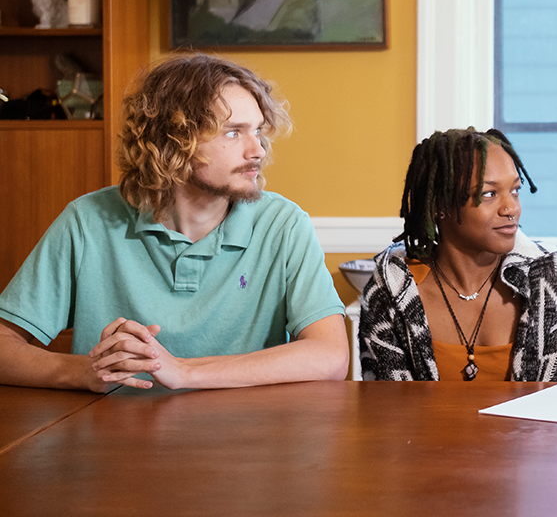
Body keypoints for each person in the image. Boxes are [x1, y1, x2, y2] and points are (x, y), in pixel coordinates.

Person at [0, 53, 349, 392]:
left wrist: (183, 371)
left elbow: (331, 357)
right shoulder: (87, 221)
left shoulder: (283, 224)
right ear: (172, 140)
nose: (256, 149)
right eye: (233, 132)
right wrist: (85, 372)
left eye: (257, 131)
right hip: (114, 442)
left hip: (248, 441)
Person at [360, 127, 557, 381]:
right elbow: (387, 407)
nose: (511, 207)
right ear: (439, 206)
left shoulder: (548, 276)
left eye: (515, 190)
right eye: (489, 194)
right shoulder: (392, 289)